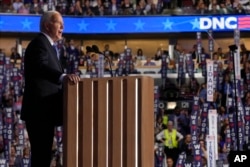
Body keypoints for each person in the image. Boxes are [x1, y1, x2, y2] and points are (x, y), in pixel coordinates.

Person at [20, 11, 80, 167]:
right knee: (41, 156)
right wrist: (62, 77)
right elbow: (40, 66)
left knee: (44, 156)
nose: (62, 27)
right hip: (39, 111)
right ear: (47, 25)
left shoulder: (50, 47)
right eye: (58, 23)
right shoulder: (39, 43)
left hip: (45, 112)